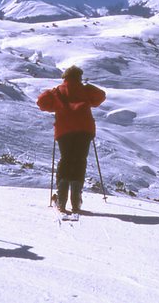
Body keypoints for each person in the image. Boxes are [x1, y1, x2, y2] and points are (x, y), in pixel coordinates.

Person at [37, 66, 106, 213]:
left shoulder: (58, 91)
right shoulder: (85, 90)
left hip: (65, 130)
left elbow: (41, 102)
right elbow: (101, 96)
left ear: (65, 77)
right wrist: (88, 87)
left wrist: (54, 94)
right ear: (79, 77)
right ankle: (76, 199)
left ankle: (61, 199)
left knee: (66, 159)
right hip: (84, 130)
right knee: (80, 160)